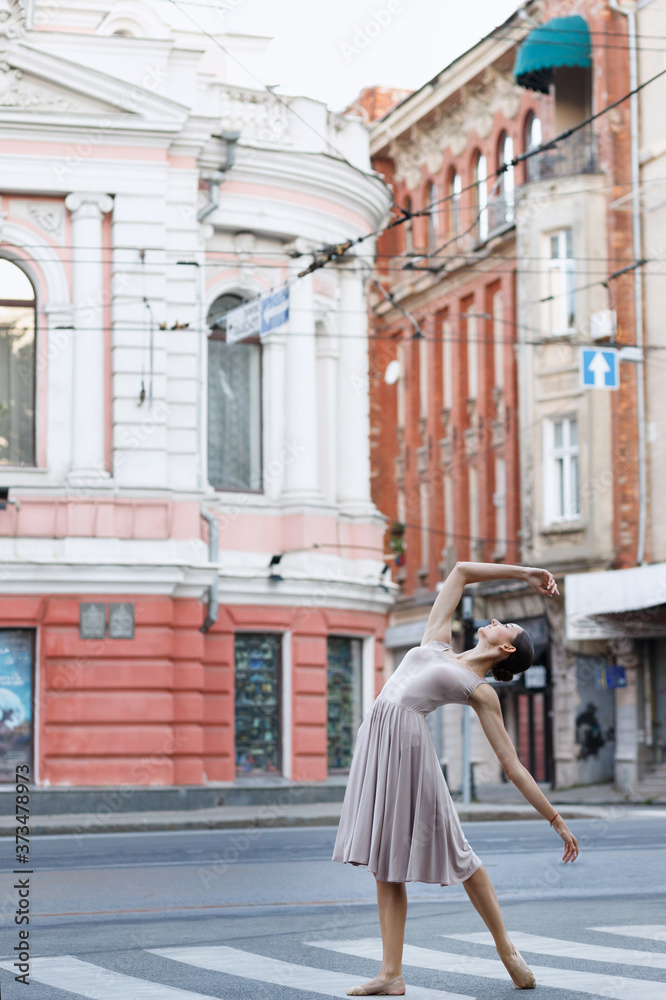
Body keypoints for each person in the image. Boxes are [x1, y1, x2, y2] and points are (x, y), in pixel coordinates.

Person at [332, 561, 579, 996]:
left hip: (407, 752)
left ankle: (507, 950)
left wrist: (555, 819)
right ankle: (391, 975)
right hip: (378, 743)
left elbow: (513, 766)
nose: (496, 621)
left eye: (507, 626)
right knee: (385, 864)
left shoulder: (479, 690)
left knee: (460, 855)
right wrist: (524, 574)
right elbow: (461, 571)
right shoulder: (438, 643)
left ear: (506, 650)